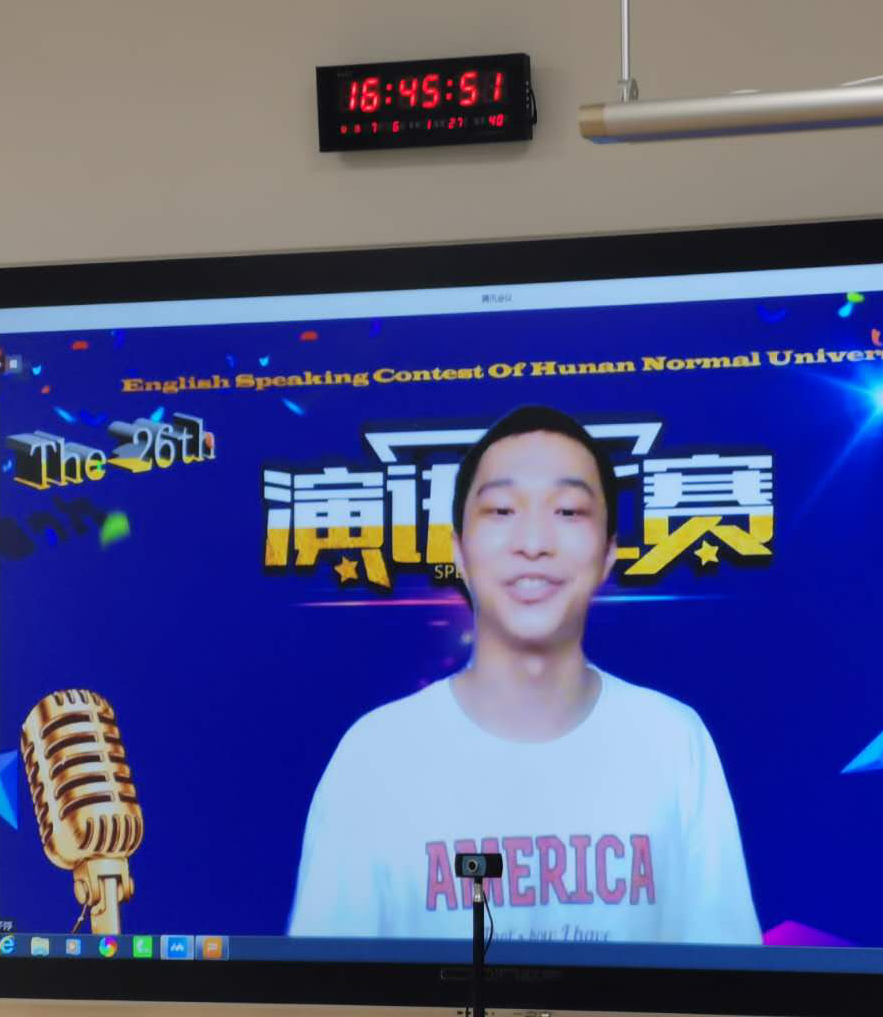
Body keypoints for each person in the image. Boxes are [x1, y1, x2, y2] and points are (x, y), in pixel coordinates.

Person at [287, 405, 760, 945]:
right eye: (502, 510)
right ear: (458, 551)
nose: (533, 542)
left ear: (609, 553)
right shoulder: (375, 756)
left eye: (568, 511)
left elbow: (727, 977)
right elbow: (327, 982)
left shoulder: (673, 741)